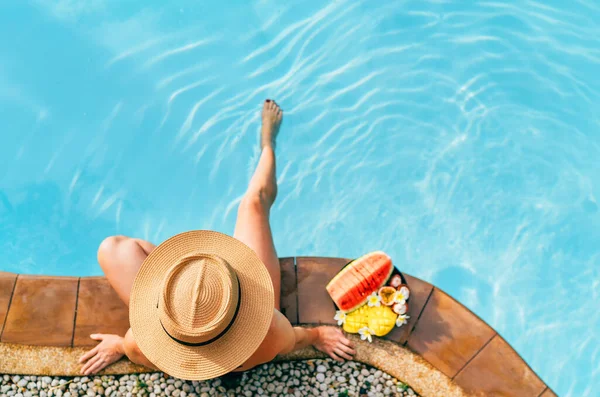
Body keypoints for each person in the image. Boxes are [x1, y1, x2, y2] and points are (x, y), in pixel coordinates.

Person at [79, 99, 356, 378]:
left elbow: (130, 349)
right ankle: (267, 143)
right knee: (254, 204)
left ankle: (182, 283)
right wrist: (319, 334)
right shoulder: (268, 333)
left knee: (112, 248)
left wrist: (118, 346)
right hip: (243, 329)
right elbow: (296, 339)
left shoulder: (138, 345)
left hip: (180, 336)